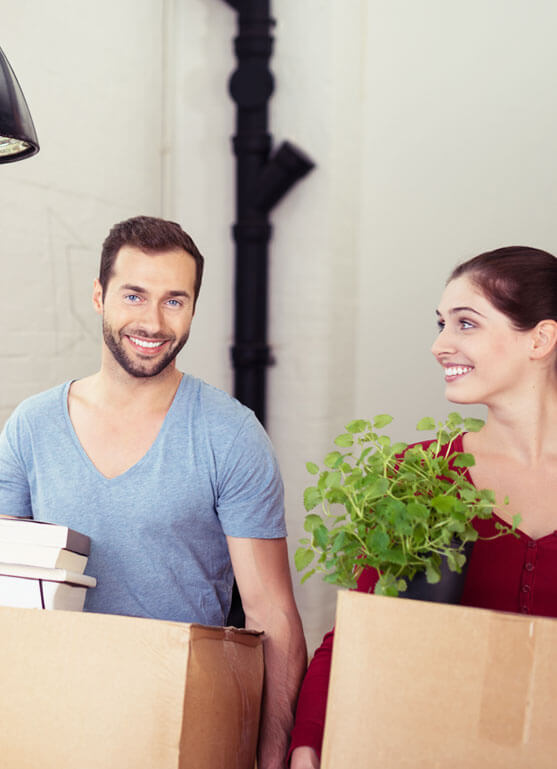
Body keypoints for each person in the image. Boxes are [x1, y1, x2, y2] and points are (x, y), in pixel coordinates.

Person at [0, 215, 307, 769]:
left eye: (174, 300)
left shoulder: (230, 435)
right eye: (134, 294)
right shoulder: (31, 426)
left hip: (185, 722)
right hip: (51, 717)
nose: (153, 320)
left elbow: (272, 613)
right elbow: (8, 591)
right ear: (99, 296)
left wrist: (272, 754)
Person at [289, 245, 557, 768]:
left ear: (541, 339)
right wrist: (309, 741)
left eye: (465, 324)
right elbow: (358, 633)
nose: (440, 345)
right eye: (440, 324)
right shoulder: (417, 478)